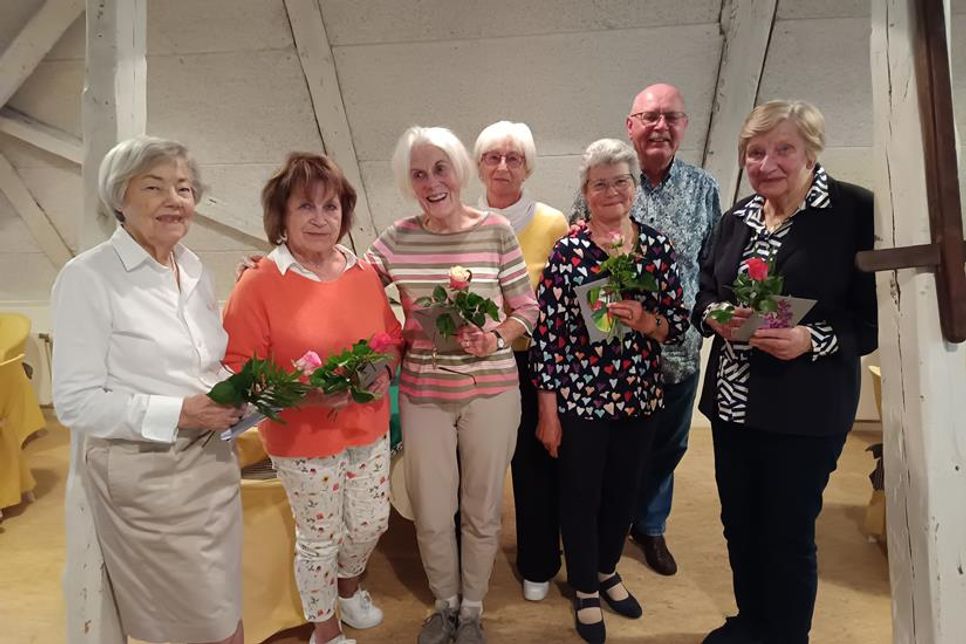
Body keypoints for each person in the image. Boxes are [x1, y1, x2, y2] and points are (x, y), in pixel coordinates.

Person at [694, 100, 877, 644]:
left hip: (804, 409)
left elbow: (874, 318)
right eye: (755, 151)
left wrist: (810, 338)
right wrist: (715, 315)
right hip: (733, 406)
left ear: (810, 151)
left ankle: (785, 635)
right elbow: (705, 289)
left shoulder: (854, 213)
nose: (767, 162)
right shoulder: (739, 218)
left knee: (787, 534)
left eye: (783, 149)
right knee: (741, 527)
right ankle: (751, 622)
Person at [51, 136, 245, 644]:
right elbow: (75, 402)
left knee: (224, 610)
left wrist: (237, 390)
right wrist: (183, 412)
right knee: (200, 627)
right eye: (154, 186)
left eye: (184, 188)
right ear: (120, 198)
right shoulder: (88, 278)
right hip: (149, 477)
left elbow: (202, 363)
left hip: (211, 466)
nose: (174, 199)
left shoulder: (193, 268)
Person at [365, 126, 539, 644]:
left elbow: (526, 308)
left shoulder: (495, 231)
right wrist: (274, 262)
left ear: (460, 171)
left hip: (492, 390)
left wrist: (499, 336)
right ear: (407, 182)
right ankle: (444, 603)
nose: (431, 182)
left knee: (483, 506)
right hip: (424, 393)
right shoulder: (396, 238)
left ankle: (473, 609)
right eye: (418, 174)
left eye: (440, 169)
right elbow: (344, 280)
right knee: (432, 507)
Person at [222, 153, 402, 644]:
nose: (321, 218)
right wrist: (305, 391)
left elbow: (390, 339)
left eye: (331, 207)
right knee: (320, 538)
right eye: (306, 207)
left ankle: (348, 590)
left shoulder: (362, 272)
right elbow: (238, 368)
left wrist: (385, 367)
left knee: (369, 524)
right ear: (281, 216)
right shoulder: (259, 282)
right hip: (301, 438)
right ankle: (325, 628)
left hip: (368, 426)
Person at [532, 138, 690, 643]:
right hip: (581, 398)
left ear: (634, 186)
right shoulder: (569, 252)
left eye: (620, 180)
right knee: (581, 493)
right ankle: (582, 587)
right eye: (599, 183)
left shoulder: (657, 247)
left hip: (639, 396)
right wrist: (548, 412)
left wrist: (647, 321)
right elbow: (549, 338)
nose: (611, 191)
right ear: (586, 191)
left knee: (623, 492)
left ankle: (606, 570)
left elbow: (679, 326)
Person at [573, 83, 721, 575]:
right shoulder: (602, 180)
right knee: (613, 448)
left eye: (671, 117)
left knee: (668, 444)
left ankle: (650, 526)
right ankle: (604, 526)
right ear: (630, 125)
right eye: (649, 116)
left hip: (674, 346)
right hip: (609, 354)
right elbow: (577, 260)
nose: (660, 126)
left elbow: (713, 263)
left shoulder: (703, 188)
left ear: (684, 125)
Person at [473, 120, 569, 602]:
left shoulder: (553, 223)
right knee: (477, 468)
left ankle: (538, 563)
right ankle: (471, 563)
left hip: (534, 364)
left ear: (527, 166)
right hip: (477, 366)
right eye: (493, 157)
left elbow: (567, 303)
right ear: (479, 166)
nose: (503, 166)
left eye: (513, 158)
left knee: (535, 468)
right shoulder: (463, 220)